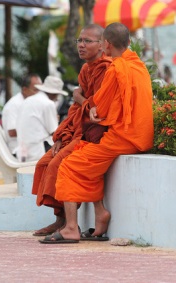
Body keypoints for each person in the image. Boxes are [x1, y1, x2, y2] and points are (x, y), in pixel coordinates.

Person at [40, 23, 154, 243]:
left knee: (69, 165)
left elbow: (99, 110)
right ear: (129, 43)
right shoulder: (138, 65)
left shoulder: (115, 69)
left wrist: (85, 104)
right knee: (88, 158)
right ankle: (100, 215)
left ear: (106, 45)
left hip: (124, 137)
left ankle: (71, 227)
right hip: (141, 134)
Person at [31, 24, 112, 236]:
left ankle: (68, 223)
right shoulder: (86, 70)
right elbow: (77, 110)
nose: (81, 45)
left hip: (94, 133)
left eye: (87, 41)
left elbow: (99, 109)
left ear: (103, 46)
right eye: (79, 41)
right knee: (45, 162)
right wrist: (62, 136)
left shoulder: (106, 69)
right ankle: (60, 219)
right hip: (78, 130)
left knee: (59, 164)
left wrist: (80, 97)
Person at [16, 76, 67, 162]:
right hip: (38, 151)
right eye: (57, 94)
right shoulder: (48, 103)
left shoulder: (28, 100)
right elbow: (55, 133)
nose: (57, 98)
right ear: (53, 93)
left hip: (23, 151)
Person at [1, 73, 42, 156]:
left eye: (41, 90)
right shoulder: (14, 105)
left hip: (31, 147)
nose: (39, 93)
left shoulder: (30, 102)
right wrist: (41, 127)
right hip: (20, 151)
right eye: (36, 90)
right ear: (25, 90)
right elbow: (12, 132)